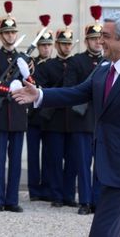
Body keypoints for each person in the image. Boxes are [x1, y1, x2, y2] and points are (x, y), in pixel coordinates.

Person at [13, 11, 120, 236]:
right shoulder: (105, 68)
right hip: (109, 164)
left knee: (103, 231)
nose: (100, 41)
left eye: (106, 36)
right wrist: (39, 94)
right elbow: (78, 92)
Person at [0, 1, 34, 212]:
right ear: (1, 36)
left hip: (18, 114)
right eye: (6, 33)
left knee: (16, 161)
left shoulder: (23, 59)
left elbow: (33, 85)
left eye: (13, 32)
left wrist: (27, 74)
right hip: (0, 114)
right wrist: (6, 89)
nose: (10, 36)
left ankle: (13, 200)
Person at [63, 6, 103, 215]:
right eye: (93, 38)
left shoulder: (108, 62)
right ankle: (85, 201)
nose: (97, 42)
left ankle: (97, 199)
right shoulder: (76, 61)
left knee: (100, 165)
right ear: (86, 41)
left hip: (101, 119)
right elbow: (70, 89)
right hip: (82, 118)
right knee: (83, 163)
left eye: (100, 38)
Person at [36, 14, 76, 208]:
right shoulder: (47, 66)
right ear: (57, 45)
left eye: (69, 44)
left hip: (72, 118)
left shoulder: (76, 64)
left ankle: (68, 194)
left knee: (72, 160)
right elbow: (42, 90)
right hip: (54, 119)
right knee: (54, 159)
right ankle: (56, 195)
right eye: (63, 44)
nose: (67, 47)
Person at [26, 15, 53, 202]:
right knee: (33, 156)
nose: (45, 48)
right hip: (34, 116)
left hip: (51, 117)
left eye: (48, 45)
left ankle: (49, 188)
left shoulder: (58, 65)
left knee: (50, 155)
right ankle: (35, 190)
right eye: (42, 45)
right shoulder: (31, 64)